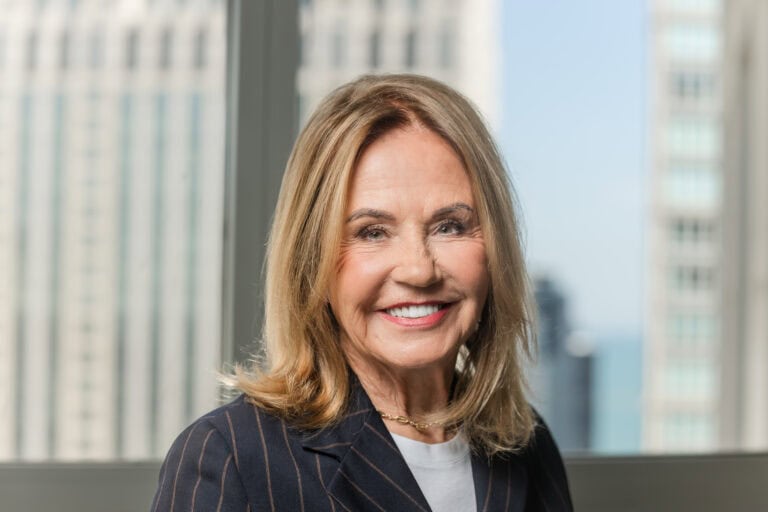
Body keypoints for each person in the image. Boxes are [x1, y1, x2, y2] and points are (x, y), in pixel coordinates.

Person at [151, 74, 573, 511]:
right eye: (372, 232)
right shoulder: (232, 457)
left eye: (450, 226)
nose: (418, 269)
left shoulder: (528, 448)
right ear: (311, 259)